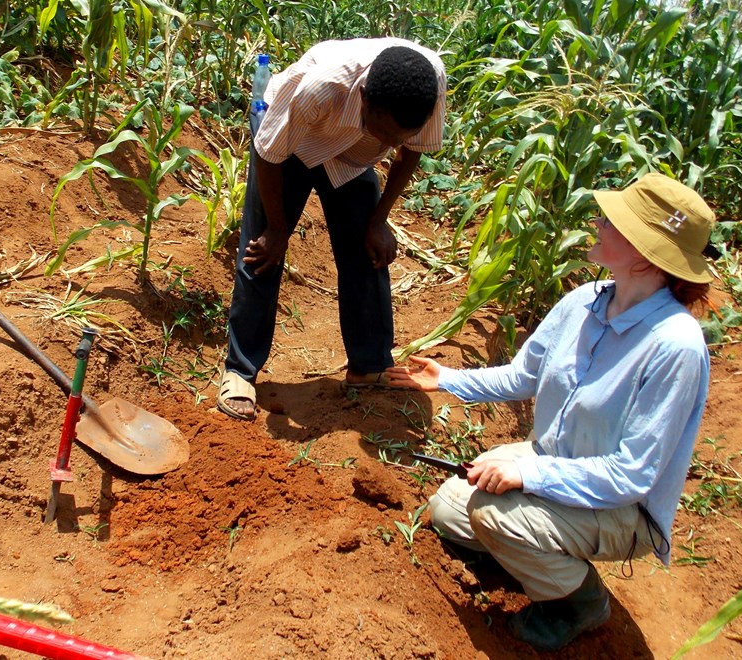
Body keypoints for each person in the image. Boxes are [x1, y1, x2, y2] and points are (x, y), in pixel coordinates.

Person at [385, 173, 715, 651]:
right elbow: (522, 377)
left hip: (621, 508)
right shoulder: (585, 301)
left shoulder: (675, 346)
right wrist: (448, 379)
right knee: (449, 510)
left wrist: (528, 473)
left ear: (647, 255)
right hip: (555, 461)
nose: (599, 222)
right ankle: (535, 562)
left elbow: (631, 476)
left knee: (496, 513)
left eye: (614, 221)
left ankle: (580, 605)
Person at [217, 38, 447, 421]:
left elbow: (412, 152)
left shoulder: (428, 85)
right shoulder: (320, 88)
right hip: (289, 138)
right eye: (386, 133)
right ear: (365, 100)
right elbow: (269, 151)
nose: (391, 146)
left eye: (398, 138)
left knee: (366, 249)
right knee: (263, 251)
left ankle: (369, 365)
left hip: (352, 157)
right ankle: (240, 371)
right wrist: (277, 230)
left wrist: (378, 221)